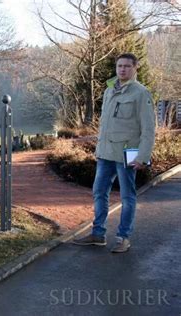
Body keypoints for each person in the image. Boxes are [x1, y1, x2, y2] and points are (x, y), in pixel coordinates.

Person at [73, 53, 155, 253]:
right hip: (105, 153)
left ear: (135, 68)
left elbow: (149, 129)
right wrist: (98, 149)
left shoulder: (141, 93)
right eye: (119, 66)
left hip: (129, 153)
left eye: (127, 66)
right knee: (99, 192)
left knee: (127, 197)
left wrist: (143, 157)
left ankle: (123, 238)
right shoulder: (110, 90)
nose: (122, 69)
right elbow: (106, 125)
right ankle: (98, 234)